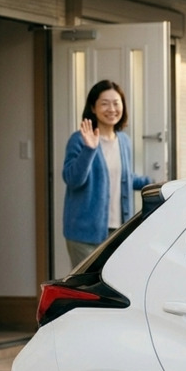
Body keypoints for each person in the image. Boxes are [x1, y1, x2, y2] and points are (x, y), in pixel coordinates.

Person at [62, 80, 153, 266]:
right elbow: (73, 180)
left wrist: (152, 182)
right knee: (88, 289)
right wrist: (89, 149)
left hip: (118, 229)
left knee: (115, 284)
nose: (111, 109)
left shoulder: (124, 141)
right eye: (104, 103)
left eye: (116, 103)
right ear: (93, 108)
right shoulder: (78, 140)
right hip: (85, 232)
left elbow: (123, 177)